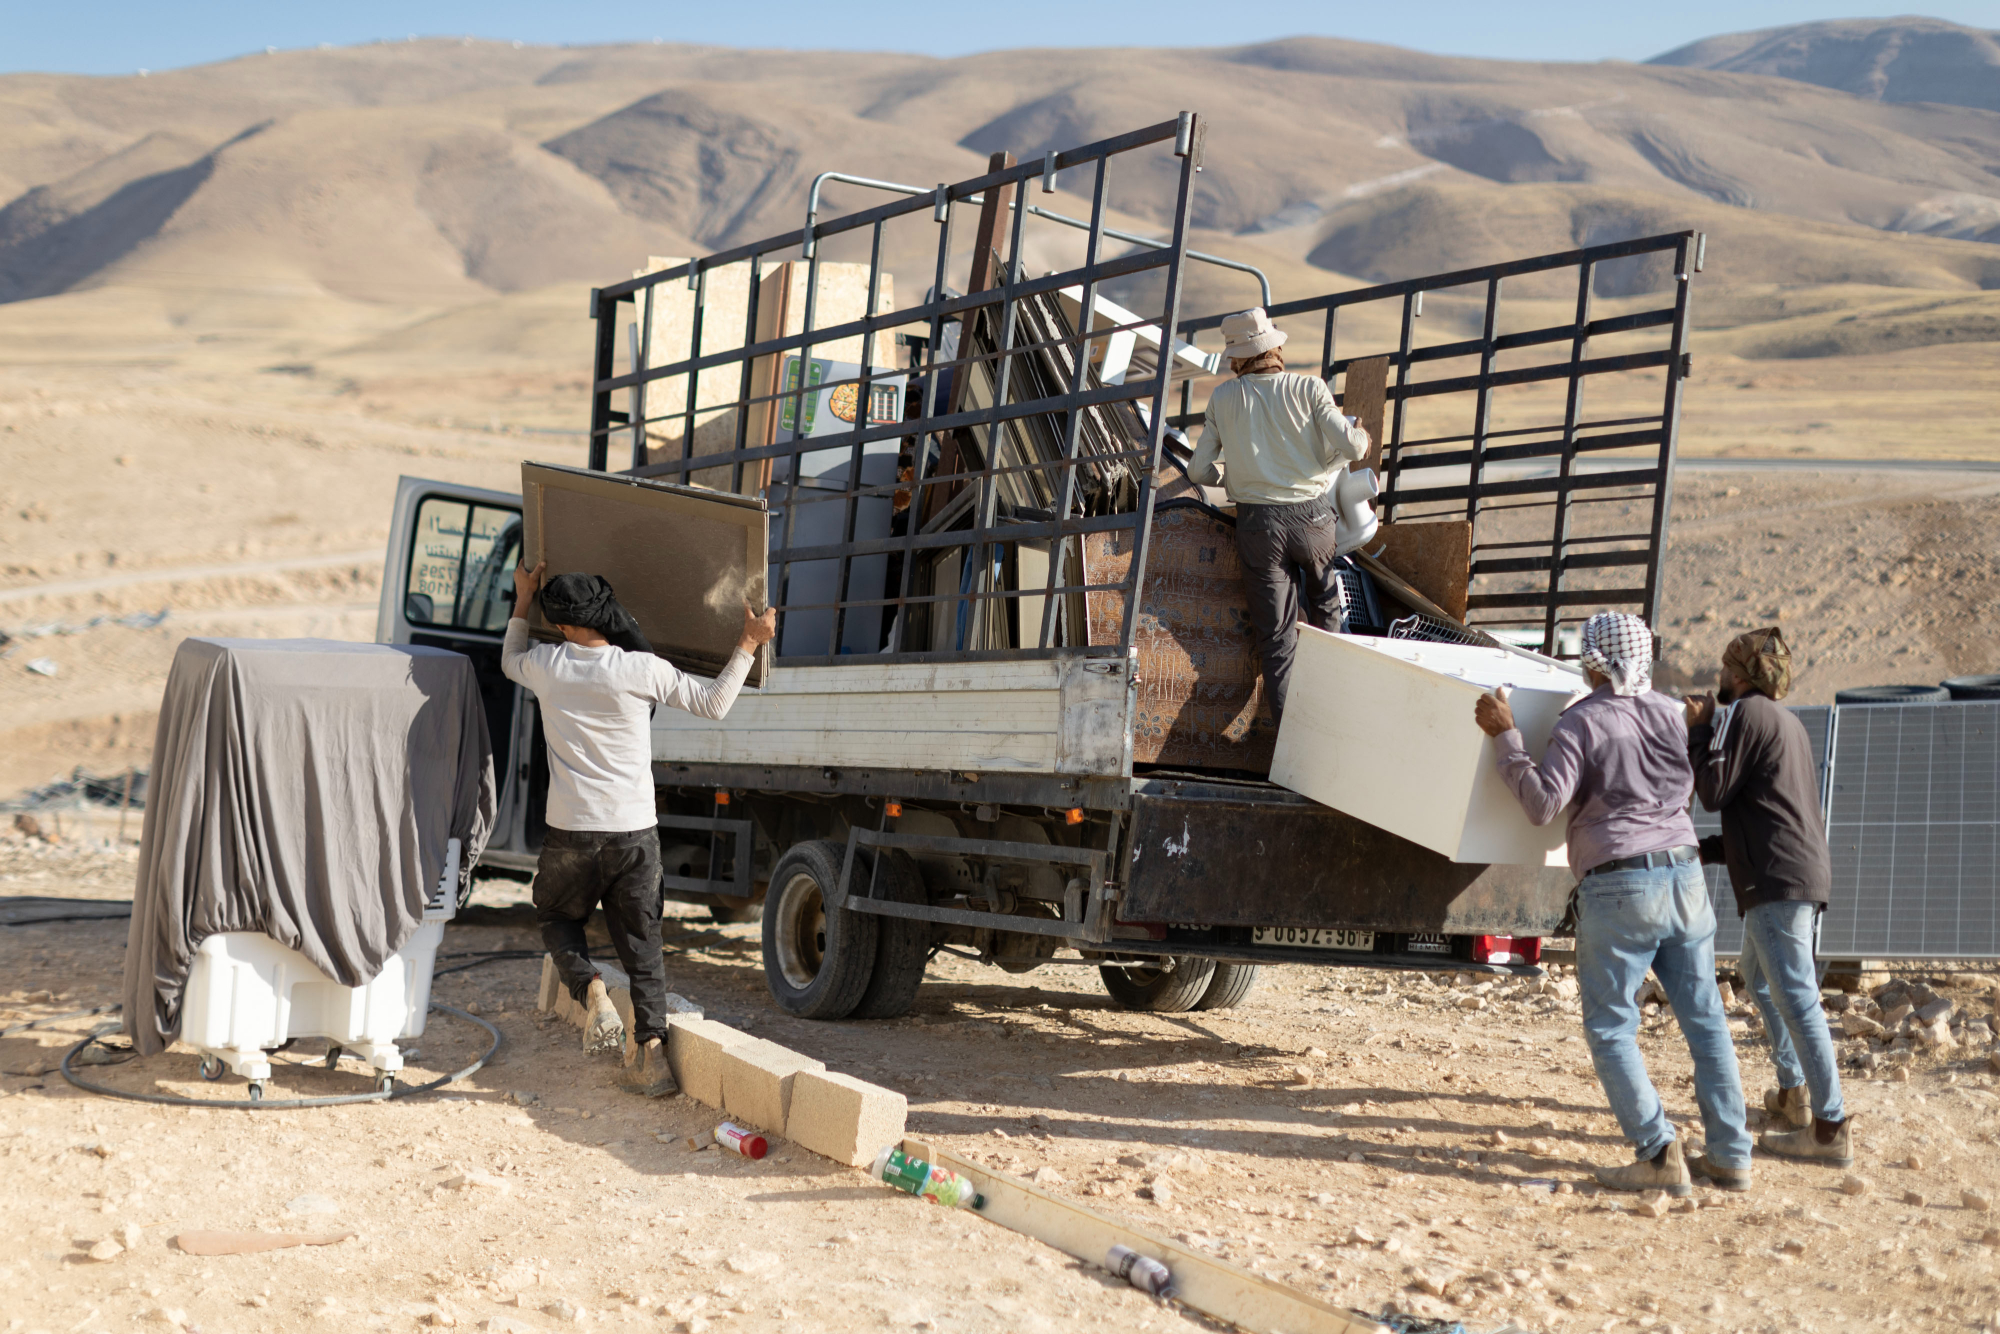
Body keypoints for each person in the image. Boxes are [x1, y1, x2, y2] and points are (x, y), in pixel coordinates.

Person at [1473, 612, 1752, 1194]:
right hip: (1686, 878)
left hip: (1621, 886)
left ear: (1593, 660)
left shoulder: (1583, 721)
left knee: (1611, 1029)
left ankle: (1657, 1152)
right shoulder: (1676, 715)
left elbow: (1543, 804)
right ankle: (1730, 1154)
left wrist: (1506, 736)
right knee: (1706, 1022)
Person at [504, 560, 776, 1096]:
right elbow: (715, 704)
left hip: (570, 831)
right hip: (633, 833)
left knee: (557, 915)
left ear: (560, 626)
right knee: (643, 945)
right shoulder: (641, 670)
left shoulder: (545, 665)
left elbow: (508, 655)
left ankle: (594, 991)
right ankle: (652, 1055)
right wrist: (748, 641)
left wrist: (521, 597)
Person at [1685, 627, 1849, 1167]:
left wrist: (1700, 729)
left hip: (1777, 882)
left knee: (1797, 996)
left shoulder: (1747, 716)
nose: (1719, 676)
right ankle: (1794, 1094)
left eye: (1725, 666)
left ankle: (1829, 1129)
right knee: (1758, 979)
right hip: (1788, 873)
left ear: (1738, 674)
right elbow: (1759, 810)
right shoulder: (1788, 721)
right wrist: (1702, 850)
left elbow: (1713, 791)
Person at [1187, 307, 1370, 723]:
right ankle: (1334, 718)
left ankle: (1293, 741)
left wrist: (1233, 475)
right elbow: (1354, 448)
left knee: (1276, 641)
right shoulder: (1310, 388)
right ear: (1275, 348)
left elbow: (1198, 471)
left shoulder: (1223, 397)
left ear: (1236, 358)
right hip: (1314, 521)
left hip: (1258, 527)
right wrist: (1361, 434)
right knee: (1327, 613)